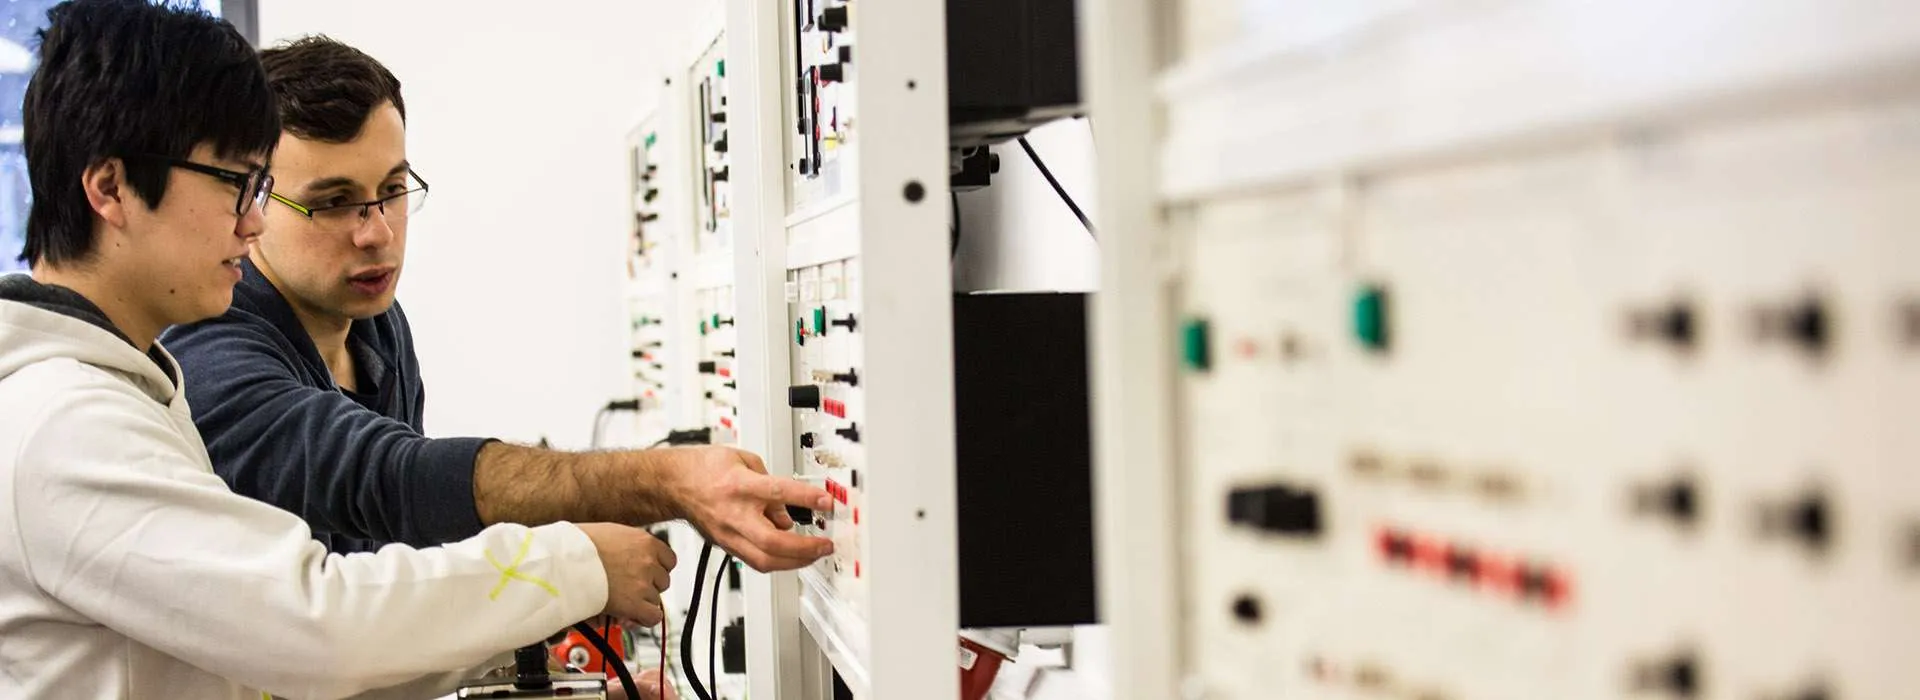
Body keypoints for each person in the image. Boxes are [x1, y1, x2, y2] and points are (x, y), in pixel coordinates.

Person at [0, 1, 679, 698]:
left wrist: (534, 662)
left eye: (258, 188)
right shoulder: (67, 423)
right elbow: (313, 627)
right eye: (235, 186)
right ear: (111, 189)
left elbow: (266, 662)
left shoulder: (135, 388)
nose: (252, 222)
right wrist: (573, 564)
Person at [161, 36, 833, 578]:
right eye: (334, 202)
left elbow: (396, 552)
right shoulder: (210, 351)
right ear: (254, 201)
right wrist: (655, 489)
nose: (377, 232)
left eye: (392, 189)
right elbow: (389, 479)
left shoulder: (376, 323)